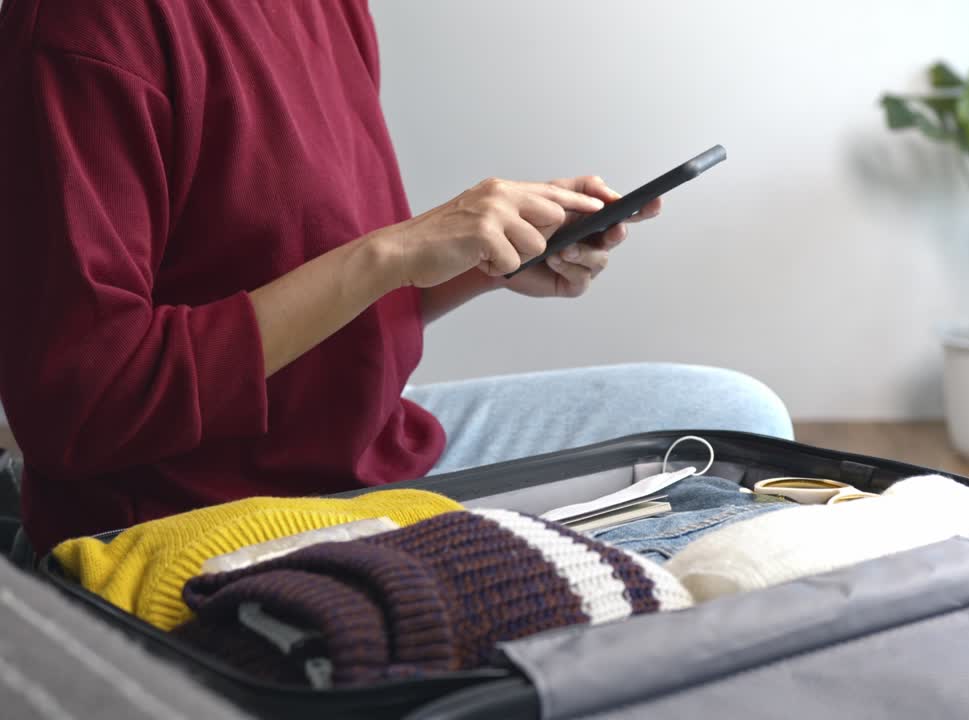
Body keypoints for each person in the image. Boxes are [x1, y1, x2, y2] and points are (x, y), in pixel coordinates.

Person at [0, 0, 791, 556]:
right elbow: (82, 406)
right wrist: (392, 252)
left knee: (734, 418)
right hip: (200, 506)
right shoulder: (83, 30)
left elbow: (317, 293)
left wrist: (480, 259)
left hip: (370, 446)